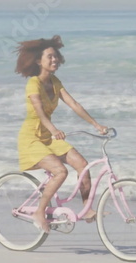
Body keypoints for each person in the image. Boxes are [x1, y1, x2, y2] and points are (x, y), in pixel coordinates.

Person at [15, 35, 108, 233]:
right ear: (39, 61)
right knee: (60, 171)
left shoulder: (55, 82)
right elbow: (39, 111)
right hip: (31, 139)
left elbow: (74, 104)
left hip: (48, 138)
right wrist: (54, 130)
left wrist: (96, 125)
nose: (55, 59)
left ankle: (87, 209)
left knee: (82, 165)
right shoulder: (33, 84)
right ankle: (40, 212)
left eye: (56, 56)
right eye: (50, 57)